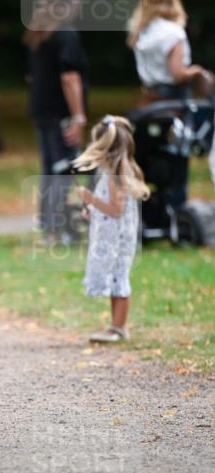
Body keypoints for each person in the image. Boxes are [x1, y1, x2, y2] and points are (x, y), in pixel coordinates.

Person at [73, 115, 149, 344]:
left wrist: (91, 199)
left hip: (117, 241)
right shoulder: (110, 174)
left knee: (119, 280)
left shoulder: (117, 178)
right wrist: (93, 211)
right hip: (110, 237)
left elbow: (116, 210)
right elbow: (111, 210)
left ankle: (119, 328)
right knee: (114, 280)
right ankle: (115, 326)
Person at [24, 0, 89, 244]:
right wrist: (78, 116)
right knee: (63, 169)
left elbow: (30, 77)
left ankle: (50, 227)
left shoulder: (38, 33)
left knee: (50, 169)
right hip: (60, 113)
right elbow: (70, 78)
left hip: (41, 110)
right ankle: (56, 230)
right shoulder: (66, 34)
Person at [127, 0, 213, 105]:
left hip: (148, 98)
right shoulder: (173, 32)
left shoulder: (141, 30)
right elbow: (178, 74)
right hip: (173, 101)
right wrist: (197, 71)